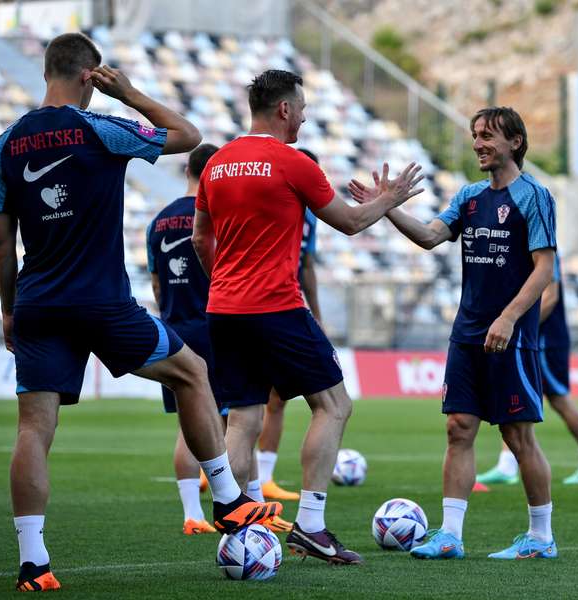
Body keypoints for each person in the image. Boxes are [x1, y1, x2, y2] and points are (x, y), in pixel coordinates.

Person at [0, 33, 281, 592]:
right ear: (90, 76)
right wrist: (129, 92)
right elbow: (190, 137)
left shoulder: (6, 144)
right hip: (101, 302)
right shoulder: (101, 127)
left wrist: (8, 309)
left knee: (34, 427)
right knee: (193, 372)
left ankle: (33, 563)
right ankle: (227, 501)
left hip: (37, 305)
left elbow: (0, 242)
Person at [192, 69, 424, 565]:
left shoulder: (217, 164)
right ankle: (312, 527)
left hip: (224, 310)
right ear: (283, 109)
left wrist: (224, 283)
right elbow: (350, 222)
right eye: (301, 107)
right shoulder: (291, 162)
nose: (304, 115)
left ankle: (234, 513)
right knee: (334, 406)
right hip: (275, 305)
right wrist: (391, 198)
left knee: (244, 417)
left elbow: (199, 238)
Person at [351, 106, 559, 560]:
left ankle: (542, 537)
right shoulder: (468, 197)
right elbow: (429, 236)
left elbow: (545, 269)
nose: (478, 143)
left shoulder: (534, 197)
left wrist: (508, 318)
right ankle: (450, 535)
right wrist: (386, 207)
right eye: (475, 135)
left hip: (511, 336)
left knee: (517, 436)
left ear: (516, 143)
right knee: (458, 428)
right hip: (466, 334)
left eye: (488, 136)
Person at [148, 144, 291, 534]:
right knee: (242, 417)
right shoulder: (217, 213)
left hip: (175, 328)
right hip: (218, 323)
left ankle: (192, 513)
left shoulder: (158, 221)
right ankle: (252, 503)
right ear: (212, 171)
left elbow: (158, 284)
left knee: (186, 422)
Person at [476, 256, 578, 488]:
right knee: (514, 392)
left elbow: (550, 296)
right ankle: (507, 465)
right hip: (531, 338)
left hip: (545, 340)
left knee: (559, 399)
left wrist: (520, 327)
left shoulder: (543, 246)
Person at [256, 148, 323, 503]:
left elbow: (307, 264)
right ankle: (223, 471)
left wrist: (317, 313)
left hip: (287, 307)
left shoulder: (308, 216)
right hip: (270, 306)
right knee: (330, 403)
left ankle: (260, 477)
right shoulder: (272, 200)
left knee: (275, 397)